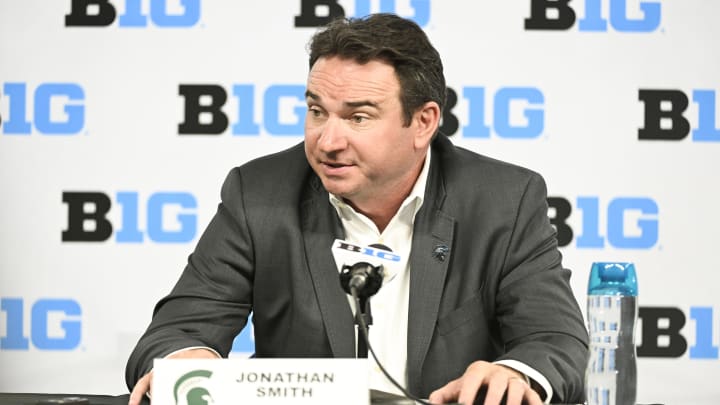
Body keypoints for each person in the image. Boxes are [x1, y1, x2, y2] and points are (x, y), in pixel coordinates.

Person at [126, 13, 588, 405]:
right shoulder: (259, 193)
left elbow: (555, 338)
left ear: (423, 122)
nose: (328, 140)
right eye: (317, 111)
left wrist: (516, 373)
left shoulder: (504, 200)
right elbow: (178, 329)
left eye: (358, 117)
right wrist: (186, 360)